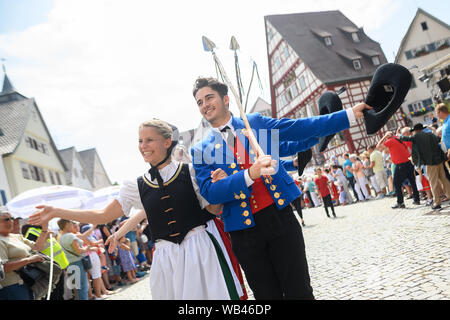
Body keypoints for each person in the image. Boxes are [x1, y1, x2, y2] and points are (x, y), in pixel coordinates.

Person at [190, 77, 371, 299]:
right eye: (199, 102)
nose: (205, 105)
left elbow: (299, 128)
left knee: (300, 291)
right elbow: (210, 192)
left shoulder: (254, 124)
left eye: (209, 98)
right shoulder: (201, 149)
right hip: (242, 232)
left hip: (280, 220)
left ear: (226, 99)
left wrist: (349, 114)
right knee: (267, 297)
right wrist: (248, 175)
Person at [29, 119, 240, 300]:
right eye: (140, 141)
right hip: (166, 257)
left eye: (149, 140)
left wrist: (219, 188)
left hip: (199, 248)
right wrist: (57, 211)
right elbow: (102, 215)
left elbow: (212, 209)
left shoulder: (191, 172)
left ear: (167, 142)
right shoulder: (136, 185)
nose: (143, 145)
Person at [0, 207, 49, 300]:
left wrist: (44, 230)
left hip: (28, 282)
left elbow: (37, 247)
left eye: (12, 218)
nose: (11, 221)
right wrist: (28, 260)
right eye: (6, 219)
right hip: (12, 286)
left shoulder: (16, 236)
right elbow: (3, 267)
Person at [398, 123, 450, 210]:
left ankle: (437, 202)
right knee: (444, 180)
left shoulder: (416, 136)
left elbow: (404, 138)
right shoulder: (430, 135)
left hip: (430, 162)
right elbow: (438, 139)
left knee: (433, 182)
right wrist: (433, 130)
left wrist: (398, 134)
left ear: (416, 130)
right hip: (439, 161)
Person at [377, 130, 420, 209]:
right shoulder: (400, 138)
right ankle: (417, 199)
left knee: (396, 184)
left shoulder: (390, 140)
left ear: (388, 136)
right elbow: (407, 148)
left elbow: (378, 146)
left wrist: (384, 137)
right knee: (412, 182)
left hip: (400, 164)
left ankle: (400, 202)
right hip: (408, 162)